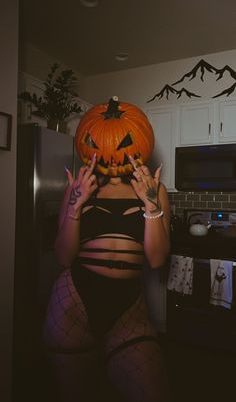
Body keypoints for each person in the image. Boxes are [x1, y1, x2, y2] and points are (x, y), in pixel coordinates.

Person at [43, 98, 170, 402]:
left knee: (154, 392)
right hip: (73, 302)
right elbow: (63, 256)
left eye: (123, 143)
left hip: (128, 308)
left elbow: (156, 258)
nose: (113, 158)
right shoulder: (78, 188)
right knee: (76, 394)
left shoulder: (154, 189)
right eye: (98, 143)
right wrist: (76, 202)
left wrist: (150, 203)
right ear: (87, 146)